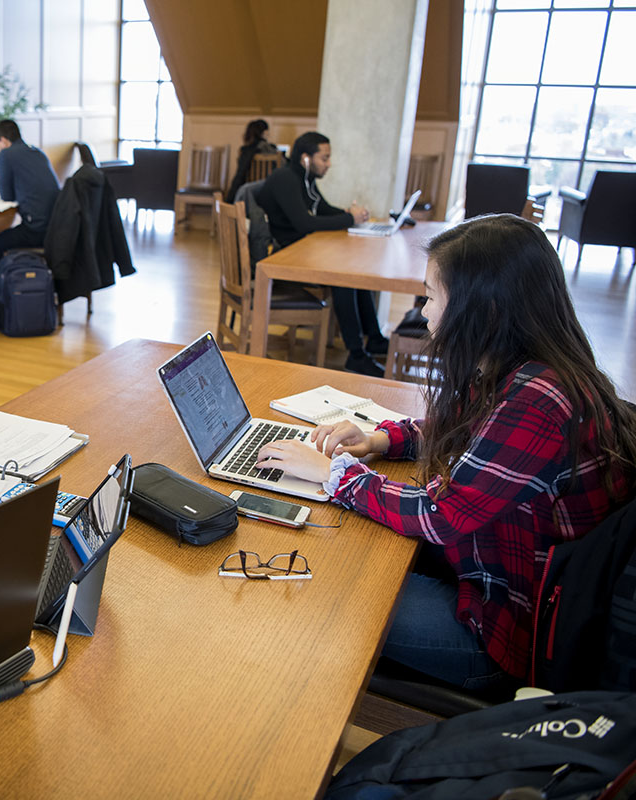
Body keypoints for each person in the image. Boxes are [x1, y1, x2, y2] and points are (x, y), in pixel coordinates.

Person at [255, 214, 636, 691]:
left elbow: (441, 515)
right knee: (341, 556)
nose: (424, 311)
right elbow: (471, 428)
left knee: (318, 588)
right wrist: (383, 439)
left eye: (432, 296)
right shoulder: (530, 367)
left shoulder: (539, 401)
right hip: (486, 574)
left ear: (487, 310)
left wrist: (337, 474)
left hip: (501, 631)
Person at [256, 132, 386, 377]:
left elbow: (323, 209)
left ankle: (375, 339)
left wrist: (350, 214)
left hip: (300, 251)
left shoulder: (304, 178)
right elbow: (305, 223)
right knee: (343, 278)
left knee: (354, 271)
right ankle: (357, 355)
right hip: (281, 260)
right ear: (306, 158)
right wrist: (348, 218)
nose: (328, 164)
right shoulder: (286, 178)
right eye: (324, 158)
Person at [0, 119, 61, 274]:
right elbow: (30, 185)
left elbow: (7, 197)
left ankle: (11, 286)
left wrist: (1, 189)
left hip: (35, 230)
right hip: (55, 226)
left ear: (3, 141)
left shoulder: (6, 155)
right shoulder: (37, 152)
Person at [224, 119, 279, 203]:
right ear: (264, 133)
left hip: (246, 193)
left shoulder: (245, 151)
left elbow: (239, 176)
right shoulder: (271, 151)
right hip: (269, 193)